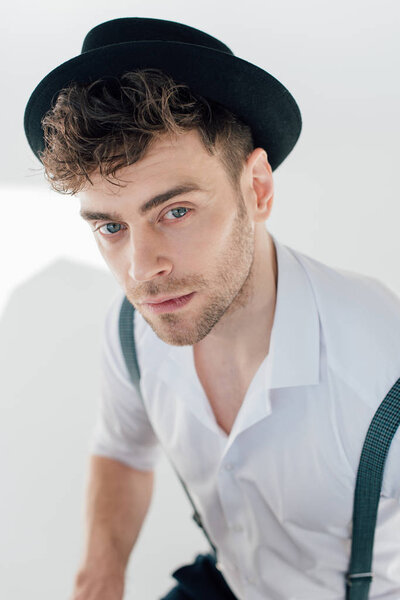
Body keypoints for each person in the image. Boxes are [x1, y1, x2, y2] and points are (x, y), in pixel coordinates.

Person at [23, 17, 400, 600]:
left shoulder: (383, 364)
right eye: (111, 226)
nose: (142, 268)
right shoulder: (130, 330)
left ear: (258, 189)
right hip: (223, 581)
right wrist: (100, 575)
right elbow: (123, 448)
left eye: (175, 211)